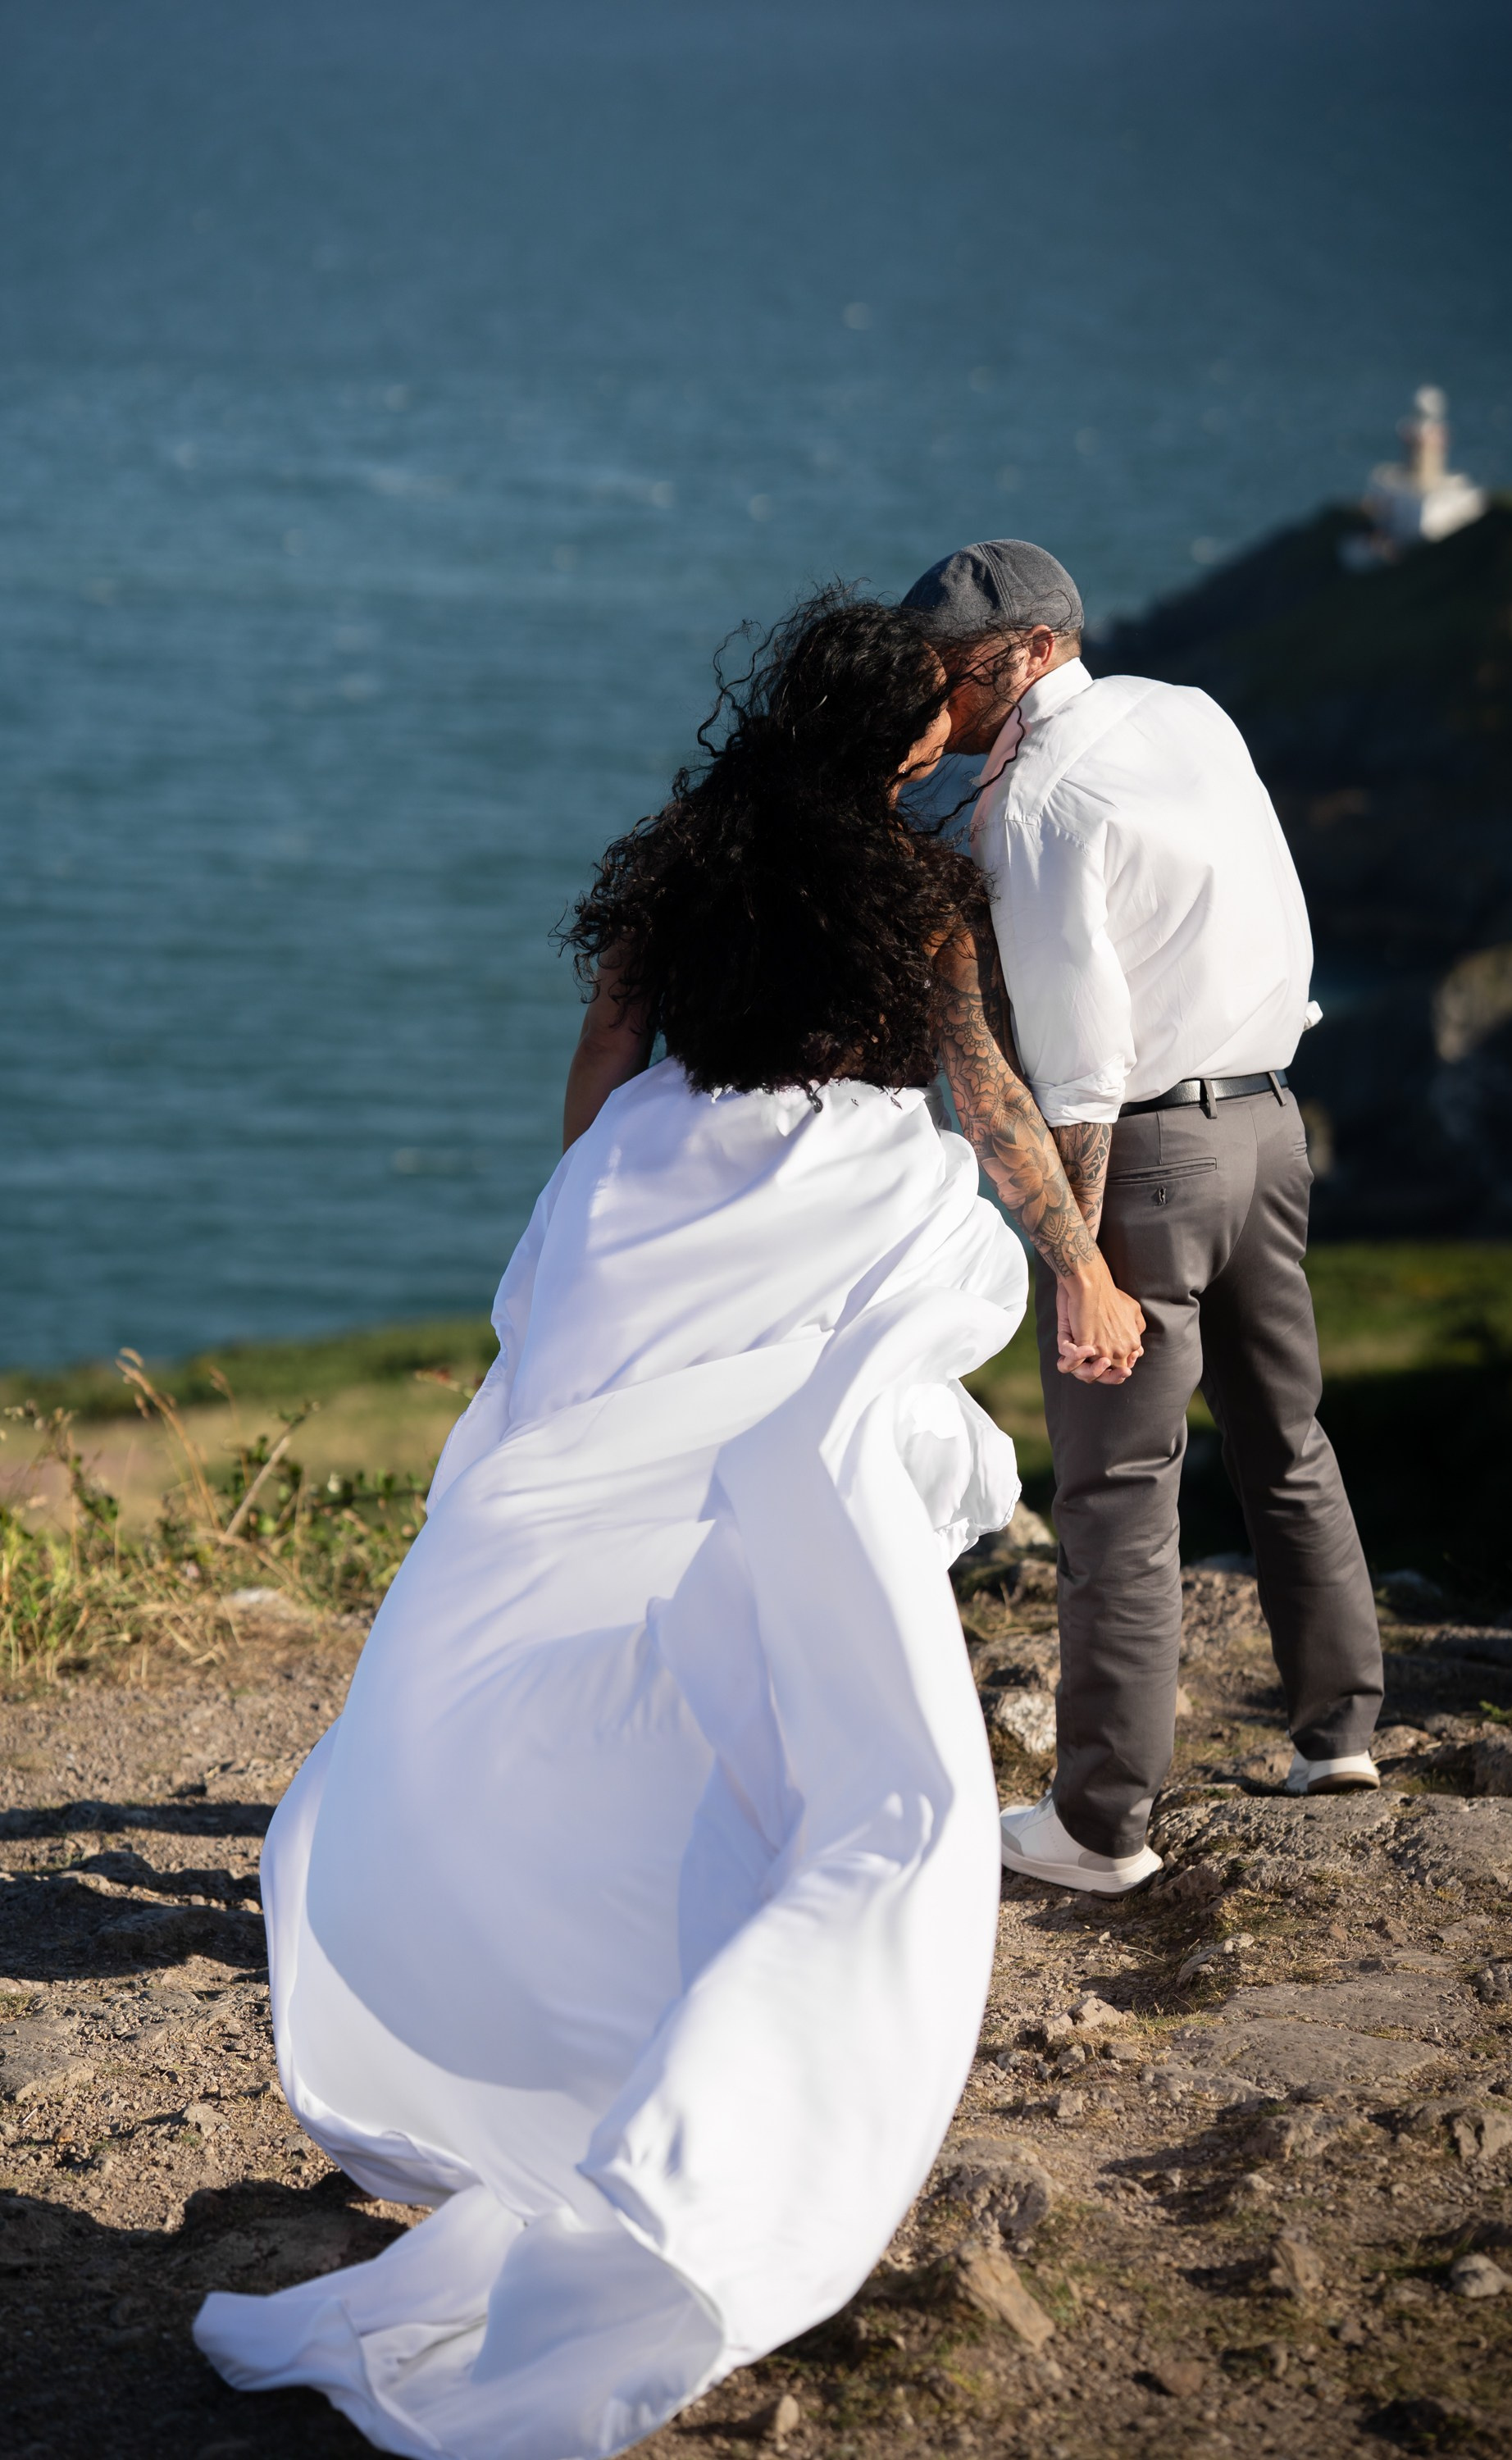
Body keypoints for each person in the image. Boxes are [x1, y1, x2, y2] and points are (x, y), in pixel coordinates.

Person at [194, 590, 1115, 2459]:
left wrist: (575, 1234)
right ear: (911, 736)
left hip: (644, 1204)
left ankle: (548, 1935)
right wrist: (1082, 1263)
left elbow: (608, 1059)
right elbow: (984, 1097)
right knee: (797, 1547)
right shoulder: (916, 892)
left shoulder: (683, 857)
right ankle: (744, 1903)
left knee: (549, 1565)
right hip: (817, 1220)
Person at [902, 540, 1386, 1897]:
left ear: (1028, 652)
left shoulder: (1034, 803)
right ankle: (1338, 1734)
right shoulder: (1186, 709)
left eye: (946, 672)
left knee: (1117, 1489)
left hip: (1150, 1156)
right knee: (1286, 1435)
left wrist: (1079, 1261)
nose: (932, 699)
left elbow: (1081, 1059)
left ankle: (1102, 1824)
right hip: (1271, 1121)